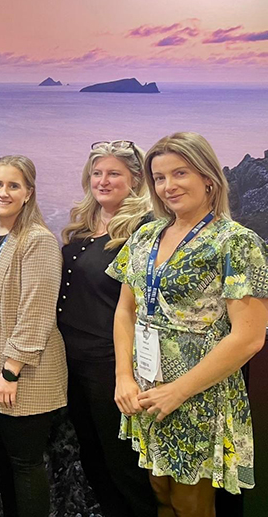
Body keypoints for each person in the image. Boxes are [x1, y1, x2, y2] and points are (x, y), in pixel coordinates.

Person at [108, 132, 268, 516]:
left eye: (180, 173)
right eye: (159, 177)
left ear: (208, 178)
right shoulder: (146, 235)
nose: (168, 186)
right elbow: (126, 310)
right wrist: (123, 376)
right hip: (146, 388)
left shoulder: (236, 242)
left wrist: (177, 391)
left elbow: (249, 338)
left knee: (190, 503)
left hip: (199, 394)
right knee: (159, 492)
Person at [58, 141, 156, 517]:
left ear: (135, 179)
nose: (103, 180)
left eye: (114, 173)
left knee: (123, 463)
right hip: (71, 359)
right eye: (97, 173)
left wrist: (125, 372)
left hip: (110, 361)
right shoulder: (83, 226)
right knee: (92, 455)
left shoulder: (144, 230)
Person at [0, 155, 66, 517]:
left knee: (25, 462)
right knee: (4, 456)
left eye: (13, 185)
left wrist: (11, 370)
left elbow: (37, 312)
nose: (3, 192)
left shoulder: (38, 241)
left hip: (22, 371)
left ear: (28, 193)